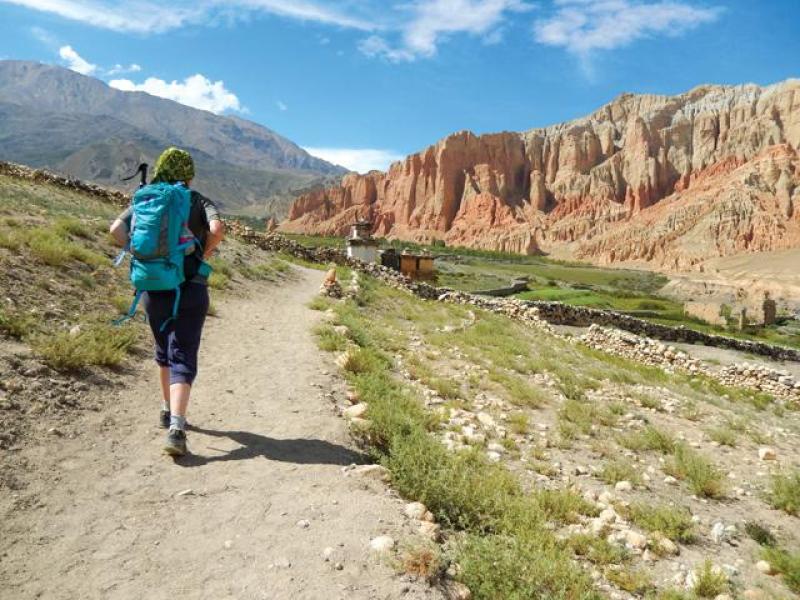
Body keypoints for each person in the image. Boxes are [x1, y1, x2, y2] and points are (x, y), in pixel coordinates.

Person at [110, 148, 225, 456]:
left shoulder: (147, 197)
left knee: (163, 349)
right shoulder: (198, 200)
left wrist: (142, 255)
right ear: (188, 174)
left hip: (153, 287)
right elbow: (217, 230)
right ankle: (176, 428)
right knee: (183, 352)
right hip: (190, 287)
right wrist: (202, 254)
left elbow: (115, 230)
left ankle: (165, 408)